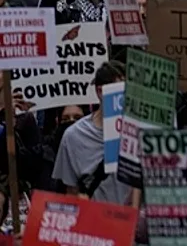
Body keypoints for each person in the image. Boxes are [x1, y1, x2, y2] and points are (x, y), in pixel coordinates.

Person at [52, 61, 130, 203]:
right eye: (121, 90)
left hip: (132, 221)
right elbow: (71, 192)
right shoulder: (74, 136)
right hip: (94, 221)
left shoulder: (137, 133)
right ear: (100, 92)